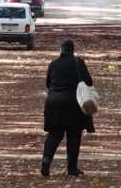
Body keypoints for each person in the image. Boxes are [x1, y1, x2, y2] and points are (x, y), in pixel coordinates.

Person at [40, 37, 94, 177]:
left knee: (54, 134)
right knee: (74, 134)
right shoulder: (78, 63)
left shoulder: (53, 64)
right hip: (74, 103)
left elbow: (48, 83)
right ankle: (72, 168)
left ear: (61, 49)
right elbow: (88, 81)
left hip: (54, 102)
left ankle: (46, 159)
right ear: (73, 50)